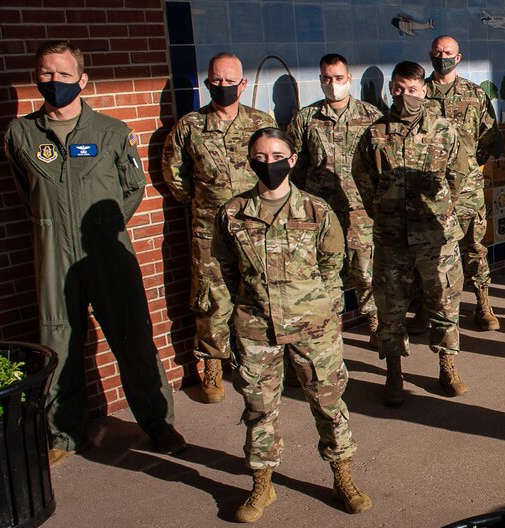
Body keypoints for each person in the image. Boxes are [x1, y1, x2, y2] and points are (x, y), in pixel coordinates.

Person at [4, 40, 185, 466]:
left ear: (82, 80)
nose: (54, 81)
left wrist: (100, 227)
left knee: (132, 336)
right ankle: (64, 434)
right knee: (59, 340)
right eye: (46, 73)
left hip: (107, 251)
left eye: (64, 74)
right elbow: (25, 190)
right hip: (53, 254)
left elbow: (133, 187)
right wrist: (53, 223)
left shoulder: (111, 131)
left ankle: (158, 424)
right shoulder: (21, 134)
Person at [213, 128, 372, 521]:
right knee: (259, 408)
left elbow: (332, 267)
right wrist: (236, 318)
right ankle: (262, 485)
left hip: (313, 327)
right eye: (261, 156)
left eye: (277, 154)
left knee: (329, 403)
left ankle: (342, 477)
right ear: (250, 160)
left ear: (293, 158)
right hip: (256, 328)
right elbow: (225, 270)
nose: (269, 163)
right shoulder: (233, 213)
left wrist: (325, 312)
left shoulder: (317, 211)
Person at [352, 61, 474, 406]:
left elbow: (461, 176)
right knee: (391, 307)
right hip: (392, 239)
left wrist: (444, 213)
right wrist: (383, 209)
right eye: (399, 89)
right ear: (392, 90)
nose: (406, 95)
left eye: (412, 89)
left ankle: (447, 365)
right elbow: (363, 179)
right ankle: (394, 372)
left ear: (424, 90)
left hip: (436, 239)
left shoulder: (445, 131)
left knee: (444, 303)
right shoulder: (375, 134)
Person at [162, 52, 276, 403]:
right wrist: (207, 203)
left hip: (254, 227)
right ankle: (212, 365)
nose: (223, 86)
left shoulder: (260, 122)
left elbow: (276, 164)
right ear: (208, 82)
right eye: (217, 80)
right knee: (212, 298)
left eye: (230, 80)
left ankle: (256, 362)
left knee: (259, 294)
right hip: (209, 230)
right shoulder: (189, 126)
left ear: (242, 84)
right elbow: (175, 176)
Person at [287, 53, 383, 347]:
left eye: (338, 78)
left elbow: (382, 164)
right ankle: (326, 333)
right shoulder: (306, 119)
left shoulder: (371, 116)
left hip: (360, 212)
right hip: (322, 214)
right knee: (326, 275)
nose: (333, 84)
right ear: (320, 80)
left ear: (348, 80)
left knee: (366, 273)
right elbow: (295, 167)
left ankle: (376, 326)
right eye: (327, 79)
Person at [425, 35, 503, 331]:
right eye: (437, 51)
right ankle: (432, 309)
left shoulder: (474, 94)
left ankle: (483, 304)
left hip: (468, 189)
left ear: (458, 58)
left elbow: (489, 136)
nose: (442, 56)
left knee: (474, 247)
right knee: (433, 251)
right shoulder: (420, 95)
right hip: (431, 190)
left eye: (448, 52)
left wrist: (473, 169)